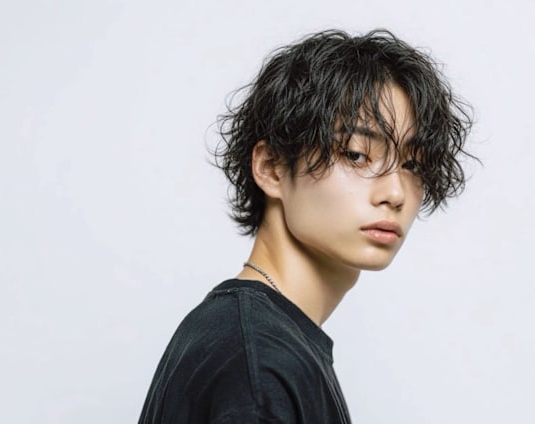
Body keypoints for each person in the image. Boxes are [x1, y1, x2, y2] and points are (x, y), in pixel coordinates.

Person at [139, 29, 473, 423]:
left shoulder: (255, 342)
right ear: (271, 168)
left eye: (413, 164)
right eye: (357, 155)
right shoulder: (259, 368)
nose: (396, 193)